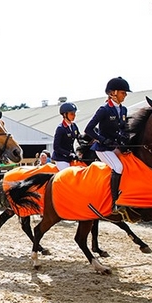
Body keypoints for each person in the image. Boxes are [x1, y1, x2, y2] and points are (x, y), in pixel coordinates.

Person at [84, 77, 130, 211]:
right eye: (123, 92)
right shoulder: (103, 109)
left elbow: (123, 128)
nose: (125, 95)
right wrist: (102, 139)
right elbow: (88, 129)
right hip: (103, 148)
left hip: (115, 146)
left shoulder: (124, 109)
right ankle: (114, 202)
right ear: (112, 93)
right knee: (118, 167)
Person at [51, 102, 80, 170]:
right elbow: (56, 147)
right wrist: (69, 154)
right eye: (71, 114)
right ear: (65, 114)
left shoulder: (74, 126)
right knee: (67, 174)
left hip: (71, 157)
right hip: (61, 159)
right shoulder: (60, 128)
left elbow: (79, 138)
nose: (74, 116)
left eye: (74, 114)